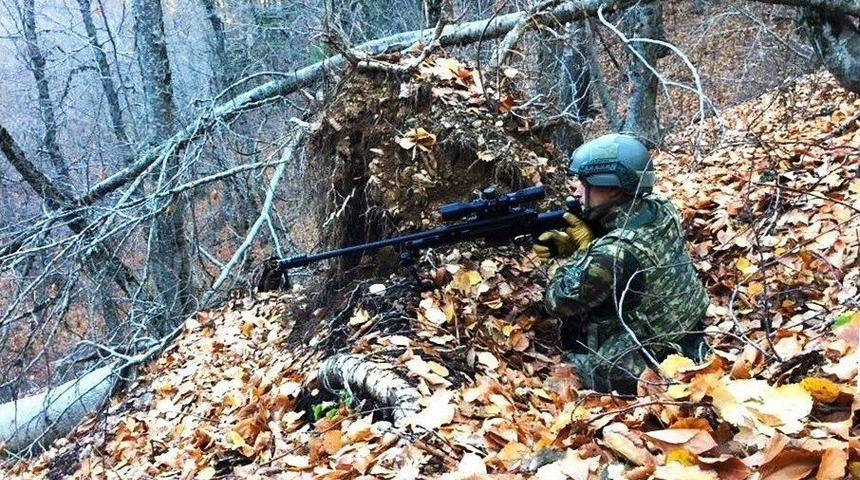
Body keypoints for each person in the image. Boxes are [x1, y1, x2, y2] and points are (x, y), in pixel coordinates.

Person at [534, 133, 709, 393]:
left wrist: (580, 253)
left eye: (585, 183)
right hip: (689, 333)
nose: (576, 190)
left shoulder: (611, 255)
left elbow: (556, 300)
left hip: (650, 367)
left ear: (614, 188)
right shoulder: (662, 208)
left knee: (559, 375)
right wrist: (589, 240)